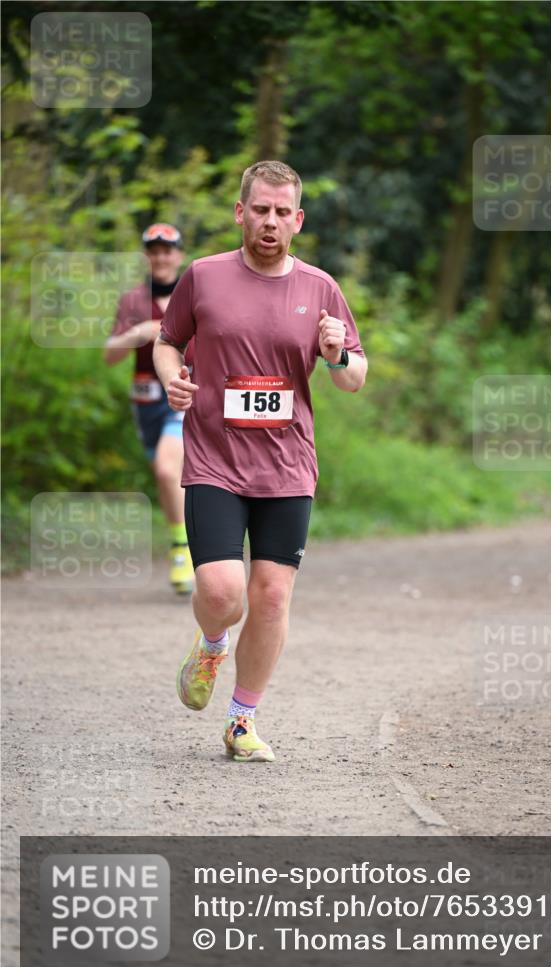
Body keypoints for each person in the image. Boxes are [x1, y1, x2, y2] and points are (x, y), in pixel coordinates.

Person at [153, 160, 367, 762]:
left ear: (297, 220)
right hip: (216, 458)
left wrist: (334, 355)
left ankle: (242, 721)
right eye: (260, 209)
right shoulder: (203, 277)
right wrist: (173, 380)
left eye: (282, 212)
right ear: (240, 212)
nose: (270, 221)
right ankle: (213, 641)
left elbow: (354, 376)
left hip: (287, 464)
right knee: (223, 593)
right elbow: (167, 342)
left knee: (271, 597)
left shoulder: (321, 289)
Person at [105, 223, 194, 595]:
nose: (161, 257)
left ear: (179, 255)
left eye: (168, 250)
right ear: (147, 255)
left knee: (165, 467)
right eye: (154, 250)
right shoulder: (132, 301)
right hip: (145, 403)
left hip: (182, 392)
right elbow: (111, 356)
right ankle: (199, 537)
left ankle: (182, 548)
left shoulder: (193, 295)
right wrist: (138, 332)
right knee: (170, 477)